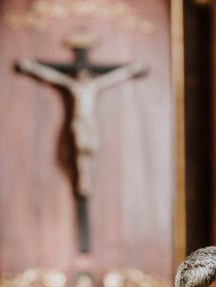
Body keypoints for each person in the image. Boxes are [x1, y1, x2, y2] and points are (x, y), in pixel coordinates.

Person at [17, 58, 146, 197]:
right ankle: (83, 180)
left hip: (90, 122)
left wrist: (131, 70)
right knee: (81, 149)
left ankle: (88, 179)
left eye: (86, 74)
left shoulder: (94, 85)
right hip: (79, 121)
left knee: (93, 150)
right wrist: (32, 68)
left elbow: (114, 77)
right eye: (80, 74)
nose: (83, 76)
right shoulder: (73, 86)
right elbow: (52, 76)